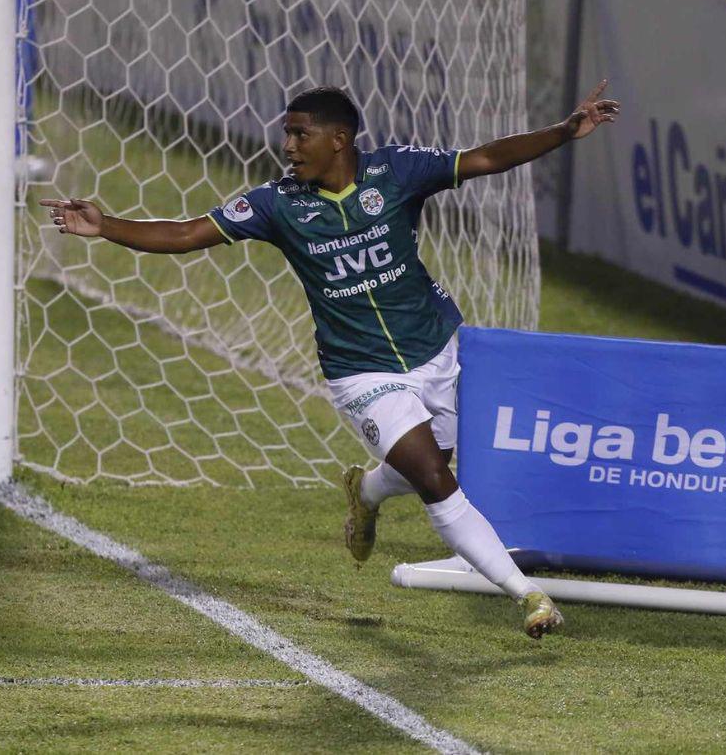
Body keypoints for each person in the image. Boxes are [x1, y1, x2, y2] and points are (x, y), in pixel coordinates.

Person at [41, 82, 619, 638]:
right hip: (359, 368)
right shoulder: (276, 204)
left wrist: (566, 131)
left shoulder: (396, 173)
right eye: (287, 135)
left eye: (299, 135)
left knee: (435, 458)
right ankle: (529, 596)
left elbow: (488, 158)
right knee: (435, 479)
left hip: (437, 346)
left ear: (338, 140)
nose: (288, 147)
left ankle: (365, 493)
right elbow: (190, 233)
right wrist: (107, 226)